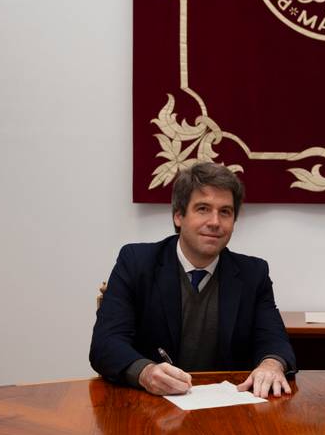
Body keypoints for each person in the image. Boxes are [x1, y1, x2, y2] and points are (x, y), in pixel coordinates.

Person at [90, 162, 296, 398]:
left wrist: (271, 364)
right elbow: (105, 344)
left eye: (225, 212)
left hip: (227, 412)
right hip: (148, 408)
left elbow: (275, 340)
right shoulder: (137, 263)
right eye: (203, 209)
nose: (215, 222)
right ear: (178, 216)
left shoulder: (253, 273)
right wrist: (145, 372)